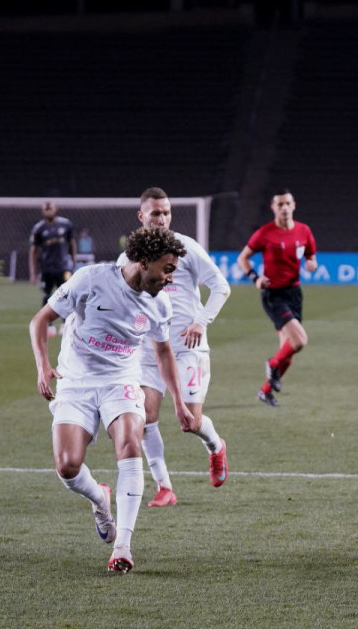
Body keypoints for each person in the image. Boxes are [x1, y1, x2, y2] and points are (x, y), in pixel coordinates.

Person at [29, 226, 195, 573]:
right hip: (75, 381)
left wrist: (179, 401)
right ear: (144, 262)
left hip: (121, 380)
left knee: (131, 443)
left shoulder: (159, 304)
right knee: (67, 466)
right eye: (167, 269)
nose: (170, 279)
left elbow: (163, 352)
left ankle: (123, 546)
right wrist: (43, 364)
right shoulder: (91, 280)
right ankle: (99, 498)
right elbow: (41, 319)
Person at [116, 187, 231, 507]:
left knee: (191, 423)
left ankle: (216, 447)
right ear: (142, 216)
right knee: (144, 415)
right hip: (148, 349)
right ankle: (164, 487)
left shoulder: (187, 248)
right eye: (156, 213)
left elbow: (221, 287)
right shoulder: (128, 256)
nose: (162, 217)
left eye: (166, 212)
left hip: (187, 347)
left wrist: (201, 321)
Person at [237, 189, 318, 407]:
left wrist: (312, 263)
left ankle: (265, 391)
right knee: (300, 340)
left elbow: (311, 256)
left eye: (287, 203)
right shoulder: (265, 233)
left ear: (294, 205)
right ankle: (272, 364)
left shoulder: (304, 231)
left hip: (294, 293)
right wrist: (254, 277)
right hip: (273, 295)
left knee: (289, 352)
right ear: (273, 208)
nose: (284, 207)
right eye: (279, 204)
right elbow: (243, 258)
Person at [29, 201, 76, 337]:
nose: (49, 211)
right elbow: (33, 251)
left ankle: (65, 323)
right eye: (46, 209)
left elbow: (72, 244)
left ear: (56, 209)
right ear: (43, 211)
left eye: (51, 209)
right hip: (46, 268)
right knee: (47, 296)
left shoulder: (66, 225)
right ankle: (48, 325)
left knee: (66, 295)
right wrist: (33, 271)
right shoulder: (38, 228)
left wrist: (73, 262)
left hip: (64, 267)